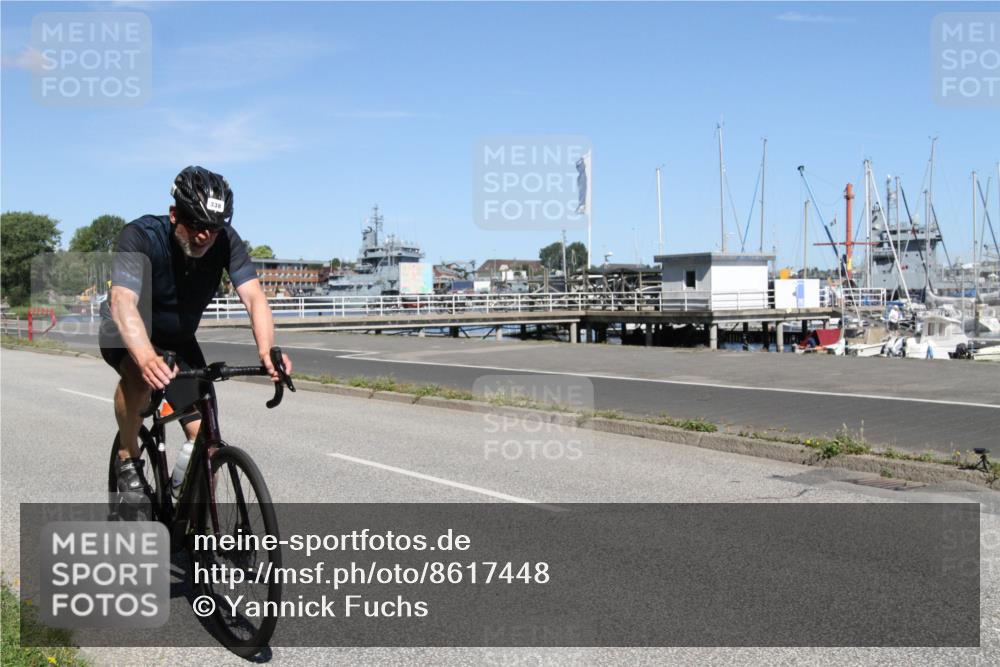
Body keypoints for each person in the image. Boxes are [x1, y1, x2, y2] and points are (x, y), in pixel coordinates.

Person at [100, 166, 292, 495]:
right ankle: (127, 459)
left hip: (178, 341)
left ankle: (188, 520)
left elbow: (254, 297)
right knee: (136, 376)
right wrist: (146, 358)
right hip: (127, 331)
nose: (205, 235)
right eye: (197, 225)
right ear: (175, 214)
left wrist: (266, 350)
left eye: (215, 228)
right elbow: (122, 301)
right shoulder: (141, 235)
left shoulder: (226, 243)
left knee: (206, 443)